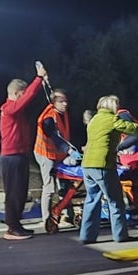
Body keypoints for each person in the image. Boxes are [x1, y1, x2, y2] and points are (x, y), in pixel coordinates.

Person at [0, 61, 49, 240]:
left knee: (20, 192)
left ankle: (16, 225)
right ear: (16, 93)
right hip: (10, 158)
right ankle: (12, 228)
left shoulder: (16, 111)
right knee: (13, 194)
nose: (24, 98)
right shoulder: (9, 109)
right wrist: (39, 78)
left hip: (19, 156)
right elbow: (27, 99)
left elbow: (26, 100)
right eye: (22, 94)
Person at [80, 95, 138, 244]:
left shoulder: (93, 120)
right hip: (103, 165)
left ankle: (87, 236)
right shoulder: (113, 119)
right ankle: (120, 235)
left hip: (87, 165)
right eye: (117, 105)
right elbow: (136, 129)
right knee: (115, 201)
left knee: (92, 200)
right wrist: (127, 118)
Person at [34, 85, 79, 225]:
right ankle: (47, 219)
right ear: (54, 103)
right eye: (61, 101)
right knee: (49, 187)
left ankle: (68, 215)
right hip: (45, 154)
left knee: (65, 184)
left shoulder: (62, 113)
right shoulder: (48, 118)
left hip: (59, 154)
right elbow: (55, 137)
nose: (65, 104)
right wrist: (69, 150)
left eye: (66, 101)